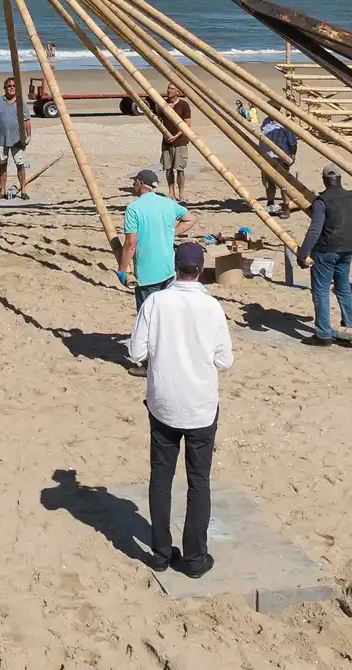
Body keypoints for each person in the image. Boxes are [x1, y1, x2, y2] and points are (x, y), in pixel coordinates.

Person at [127, 240, 232, 579]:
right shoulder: (212, 307)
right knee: (198, 481)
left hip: (164, 402)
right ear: (200, 269)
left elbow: (136, 351)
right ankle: (195, 557)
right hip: (200, 404)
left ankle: (160, 552)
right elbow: (224, 360)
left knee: (161, 476)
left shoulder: (156, 302)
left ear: (176, 267)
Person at [117, 169, 194, 375]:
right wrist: (170, 234)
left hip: (146, 272)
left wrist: (122, 269)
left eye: (135, 181)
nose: (133, 185)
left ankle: (151, 364)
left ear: (141, 183)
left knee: (148, 319)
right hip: (168, 270)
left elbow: (130, 244)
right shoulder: (168, 203)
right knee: (166, 315)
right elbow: (190, 219)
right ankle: (170, 358)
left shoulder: (134, 209)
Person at [296, 165, 352, 344]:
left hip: (326, 250)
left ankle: (324, 334)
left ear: (324, 180)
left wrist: (303, 253)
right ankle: (347, 328)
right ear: (340, 179)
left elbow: (315, 229)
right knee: (343, 288)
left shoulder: (321, 201)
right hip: (347, 249)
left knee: (321, 291)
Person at [0, 76, 32, 199]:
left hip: (17, 139)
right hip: (2, 139)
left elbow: (27, 121)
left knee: (20, 164)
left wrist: (28, 136)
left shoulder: (21, 103)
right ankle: (2, 190)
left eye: (14, 86)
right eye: (9, 86)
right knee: (2, 164)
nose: (12, 88)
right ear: (5, 88)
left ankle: (23, 190)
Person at [257, 114, 299, 216]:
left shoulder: (284, 123)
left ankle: (286, 206)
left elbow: (293, 142)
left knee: (283, 184)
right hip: (267, 157)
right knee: (268, 182)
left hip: (281, 158)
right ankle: (270, 203)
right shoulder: (266, 122)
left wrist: (292, 156)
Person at [157, 84, 192, 201]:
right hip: (166, 141)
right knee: (168, 168)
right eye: (168, 88)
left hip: (180, 141)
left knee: (180, 168)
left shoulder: (184, 105)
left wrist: (176, 136)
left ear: (178, 92)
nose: (169, 91)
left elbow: (187, 124)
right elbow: (159, 122)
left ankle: (181, 193)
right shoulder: (163, 105)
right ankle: (171, 191)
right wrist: (165, 134)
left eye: (172, 89)